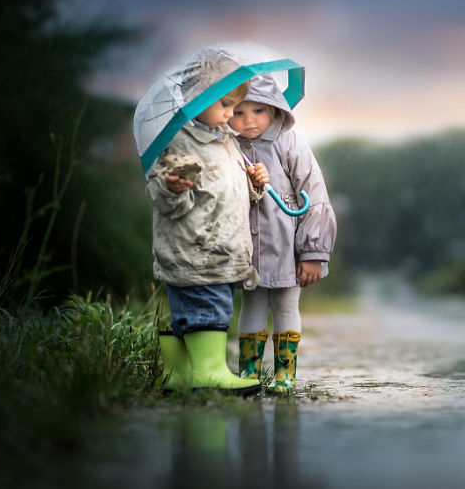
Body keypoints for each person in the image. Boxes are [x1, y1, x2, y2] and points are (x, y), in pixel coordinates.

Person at [142, 47, 269, 395]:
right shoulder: (178, 141)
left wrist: (254, 185)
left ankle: (179, 375)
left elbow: (227, 192)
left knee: (197, 313)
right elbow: (165, 202)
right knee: (207, 311)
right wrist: (173, 187)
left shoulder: (226, 141)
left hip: (224, 248)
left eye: (235, 106)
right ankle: (208, 372)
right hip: (196, 249)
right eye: (225, 104)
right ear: (198, 98)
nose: (232, 114)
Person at [229, 74, 337, 396]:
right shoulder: (229, 147)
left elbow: (314, 194)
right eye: (238, 112)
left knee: (286, 306)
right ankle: (248, 373)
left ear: (274, 110)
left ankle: (284, 375)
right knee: (252, 306)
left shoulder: (288, 141)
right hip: (247, 246)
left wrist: (314, 252)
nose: (248, 120)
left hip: (286, 243)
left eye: (258, 111)